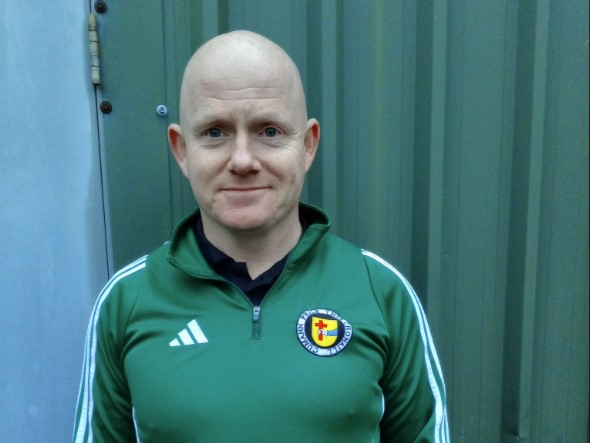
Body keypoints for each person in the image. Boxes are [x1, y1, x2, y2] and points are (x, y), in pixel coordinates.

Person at [73, 30, 449, 442]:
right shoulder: (126, 302)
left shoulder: (380, 292)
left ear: (307, 145)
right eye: (214, 132)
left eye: (269, 131)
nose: (242, 160)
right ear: (181, 150)